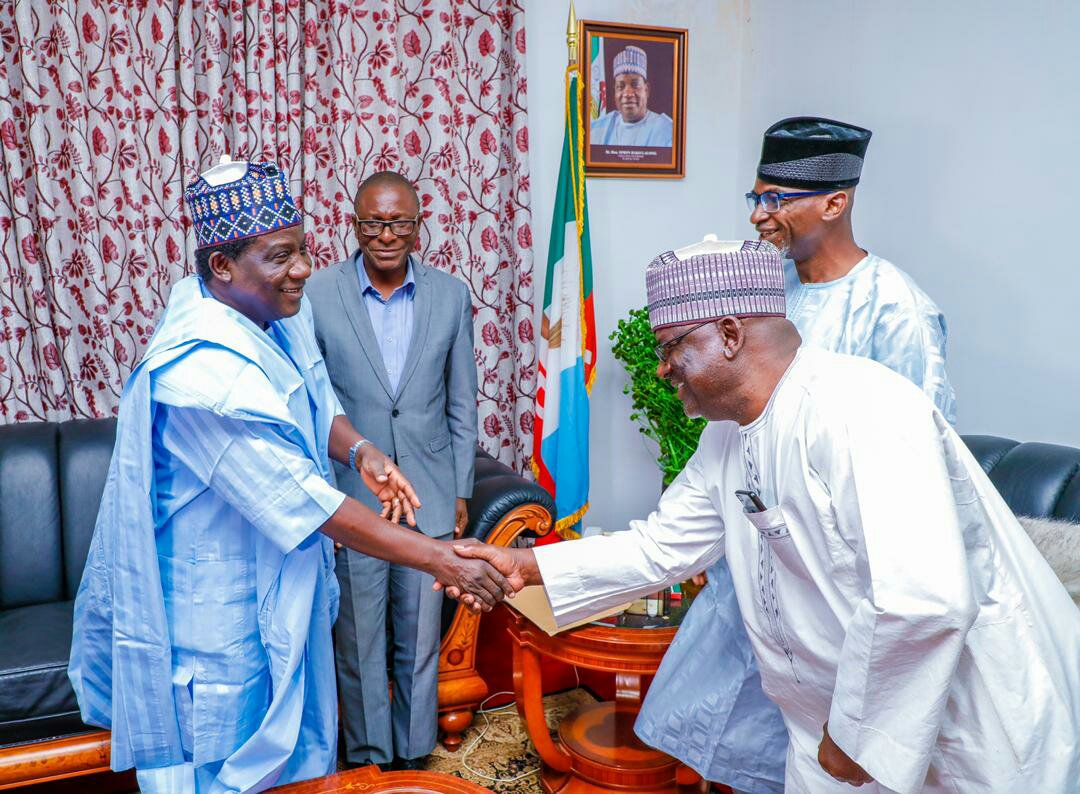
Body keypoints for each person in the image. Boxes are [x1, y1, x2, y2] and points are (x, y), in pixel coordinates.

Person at [454, 240, 1080, 793]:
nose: (662, 369)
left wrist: (857, 734)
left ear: (729, 334)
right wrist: (525, 565)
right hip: (829, 727)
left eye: (671, 348)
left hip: (955, 729)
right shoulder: (726, 437)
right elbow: (660, 548)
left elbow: (921, 599)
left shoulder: (862, 409)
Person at [67, 158, 509, 793]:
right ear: (223, 266)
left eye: (302, 249)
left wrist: (361, 451)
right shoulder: (200, 374)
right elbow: (303, 503)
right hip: (217, 619)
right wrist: (440, 559)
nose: (303, 268)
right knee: (225, 765)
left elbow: (315, 397)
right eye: (281, 256)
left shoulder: (276, 313)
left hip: (283, 585)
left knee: (299, 757)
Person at [637, 117, 958, 792]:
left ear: (835, 201)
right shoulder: (766, 287)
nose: (759, 215)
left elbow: (915, 484)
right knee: (741, 748)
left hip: (836, 597)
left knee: (831, 759)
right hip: (754, 575)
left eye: (776, 198)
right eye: (755, 197)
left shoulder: (896, 309)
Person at [306, 171, 478, 771]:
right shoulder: (316, 294)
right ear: (353, 225)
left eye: (399, 222)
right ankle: (370, 763)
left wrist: (460, 491)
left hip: (429, 494)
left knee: (420, 638)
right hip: (353, 496)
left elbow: (461, 403)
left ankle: (413, 758)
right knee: (359, 641)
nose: (386, 235)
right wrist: (324, 496)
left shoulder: (451, 296)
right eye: (373, 223)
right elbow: (311, 405)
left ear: (418, 225)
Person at [589, 45, 674, 147]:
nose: (628, 94)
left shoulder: (666, 130)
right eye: (620, 86)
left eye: (635, 85)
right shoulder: (600, 129)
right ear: (615, 91)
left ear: (646, 90)